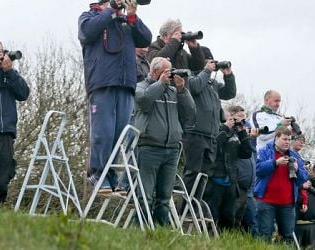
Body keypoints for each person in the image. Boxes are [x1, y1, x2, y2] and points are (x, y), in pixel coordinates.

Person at [78, 0, 152, 193]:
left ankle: (110, 175)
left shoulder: (125, 22)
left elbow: (145, 39)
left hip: (126, 84)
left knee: (119, 135)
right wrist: (111, 9)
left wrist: (132, 15)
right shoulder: (89, 17)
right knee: (103, 131)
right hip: (102, 83)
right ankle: (97, 173)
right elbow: (88, 32)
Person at [133, 57, 195, 226]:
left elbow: (190, 114)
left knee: (165, 195)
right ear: (154, 71)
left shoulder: (173, 91)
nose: (170, 74)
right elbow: (144, 102)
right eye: (167, 71)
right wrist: (160, 84)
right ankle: (140, 228)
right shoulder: (141, 86)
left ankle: (161, 230)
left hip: (172, 149)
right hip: (149, 147)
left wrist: (182, 90)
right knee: (145, 194)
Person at [181, 46, 236, 195]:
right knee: (192, 172)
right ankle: (184, 209)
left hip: (210, 135)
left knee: (204, 175)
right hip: (195, 133)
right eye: (208, 61)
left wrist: (228, 75)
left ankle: (195, 207)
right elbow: (195, 87)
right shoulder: (189, 76)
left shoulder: (212, 84)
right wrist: (206, 71)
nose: (212, 65)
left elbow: (230, 93)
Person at [0, 39, 30, 204]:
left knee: (0, 185)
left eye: (0, 53)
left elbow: (23, 94)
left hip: (6, 137)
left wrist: (10, 72)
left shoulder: (8, 75)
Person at [254, 127, 308, 243]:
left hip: (287, 204)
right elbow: (257, 169)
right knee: (264, 235)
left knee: (287, 237)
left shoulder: (295, 156)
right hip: (266, 201)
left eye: (289, 139)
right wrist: (275, 163)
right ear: (276, 138)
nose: (287, 142)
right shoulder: (264, 151)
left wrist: (298, 170)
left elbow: (303, 179)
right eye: (284, 139)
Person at [204, 107, 252, 230]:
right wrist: (225, 128)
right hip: (215, 179)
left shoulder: (237, 133)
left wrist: (242, 132)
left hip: (231, 180)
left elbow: (246, 154)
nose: (241, 120)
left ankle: (225, 243)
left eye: (243, 118)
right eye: (238, 117)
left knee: (229, 217)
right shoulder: (216, 129)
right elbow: (212, 147)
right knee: (212, 216)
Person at [295, 161, 315, 249]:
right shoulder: (295, 181)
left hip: (314, 224)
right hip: (297, 224)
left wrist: (313, 177)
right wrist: (301, 185)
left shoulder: (313, 182)